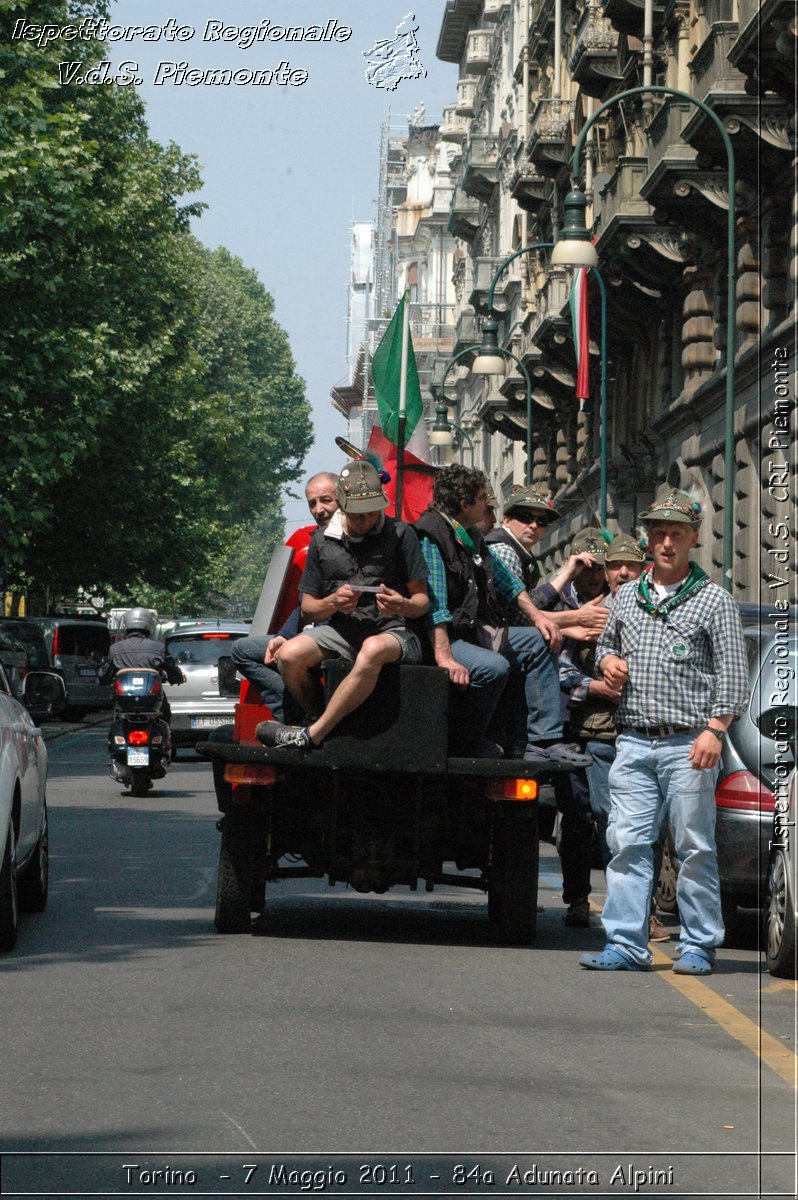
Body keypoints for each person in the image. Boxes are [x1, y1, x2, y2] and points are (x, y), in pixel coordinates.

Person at [579, 489, 749, 974]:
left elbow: (733, 676)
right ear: (648, 540)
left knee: (695, 846)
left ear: (694, 538)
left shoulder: (714, 601)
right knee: (627, 843)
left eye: (675, 533)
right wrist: (608, 660)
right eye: (658, 533)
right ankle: (626, 943)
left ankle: (697, 943)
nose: (666, 542)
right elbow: (605, 647)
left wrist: (715, 730)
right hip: (632, 739)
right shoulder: (628, 596)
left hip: (688, 742)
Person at [414, 464, 592, 765]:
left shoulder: (471, 536)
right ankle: (468, 741)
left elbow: (507, 581)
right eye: (484, 498)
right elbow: (436, 602)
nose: (489, 505)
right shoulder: (432, 534)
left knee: (540, 640)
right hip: (444, 637)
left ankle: (544, 741)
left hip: (473, 632)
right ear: (464, 504)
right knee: (493, 667)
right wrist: (444, 657)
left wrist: (539, 617)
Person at [256, 459, 429, 750]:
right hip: (342, 632)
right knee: (289, 654)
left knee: (373, 648)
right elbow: (309, 608)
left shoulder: (402, 533)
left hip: (395, 632)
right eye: (357, 516)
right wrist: (334, 602)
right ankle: (318, 715)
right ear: (343, 507)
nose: (365, 522)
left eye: (372, 514)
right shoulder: (322, 541)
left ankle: (313, 734)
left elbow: (422, 602)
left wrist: (401, 604)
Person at [557, 531, 654, 931]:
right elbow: (560, 669)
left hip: (638, 732)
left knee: (638, 825)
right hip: (586, 732)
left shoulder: (654, 609)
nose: (619, 574)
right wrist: (594, 687)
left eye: (628, 565)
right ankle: (581, 900)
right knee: (589, 818)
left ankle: (637, 909)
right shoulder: (587, 612)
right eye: (613, 566)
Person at [231, 471, 340, 716]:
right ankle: (290, 708)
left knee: (288, 654)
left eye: (326, 500)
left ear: (342, 499)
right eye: (313, 503)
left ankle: (304, 715)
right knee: (243, 650)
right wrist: (283, 635)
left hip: (337, 633)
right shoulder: (317, 542)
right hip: (315, 629)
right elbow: (304, 604)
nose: (318, 509)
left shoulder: (347, 541)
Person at [485, 490, 608, 633]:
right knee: (544, 642)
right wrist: (576, 618)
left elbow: (529, 604)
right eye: (526, 517)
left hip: (498, 637)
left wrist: (567, 573)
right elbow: (520, 618)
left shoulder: (524, 556)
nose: (534, 525)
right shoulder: (505, 552)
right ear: (506, 521)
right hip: (488, 640)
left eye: (541, 521)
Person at [99, 607, 184, 721]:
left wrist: (104, 678)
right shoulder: (159, 648)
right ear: (149, 625)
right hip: (152, 702)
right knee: (165, 713)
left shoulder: (115, 648)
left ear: (127, 625)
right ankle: (165, 737)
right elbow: (171, 668)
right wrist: (177, 677)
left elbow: (104, 675)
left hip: (124, 703)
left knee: (116, 716)